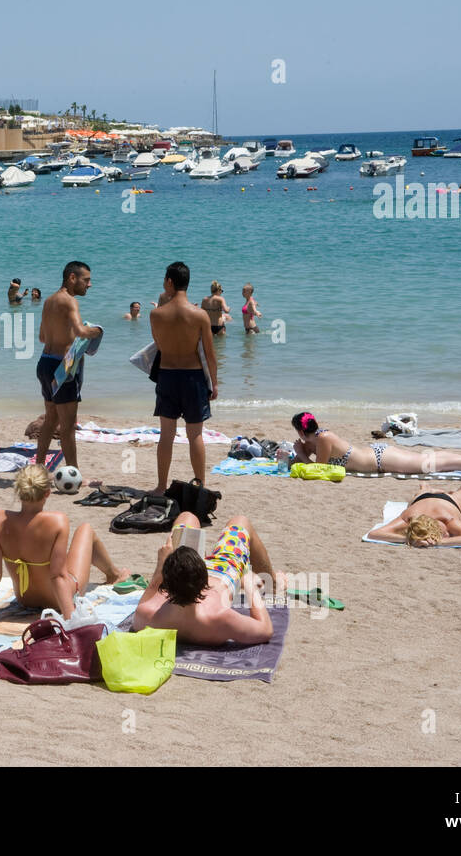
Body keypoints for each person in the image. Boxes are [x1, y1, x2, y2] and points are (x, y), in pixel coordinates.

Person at [0, 464, 128, 627]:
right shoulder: (57, 521)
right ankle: (114, 574)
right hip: (57, 599)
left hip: (25, 599)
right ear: (47, 493)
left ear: (18, 491)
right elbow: (58, 576)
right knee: (86, 530)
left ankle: (114, 574)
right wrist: (71, 618)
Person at [132, 513, 283, 645]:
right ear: (205, 584)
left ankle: (187, 560)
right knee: (240, 522)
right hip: (222, 572)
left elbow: (152, 588)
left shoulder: (146, 615)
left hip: (185, 574)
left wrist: (161, 565)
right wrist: (250, 586)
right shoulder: (220, 618)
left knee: (188, 517)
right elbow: (265, 630)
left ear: (165, 586)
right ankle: (274, 584)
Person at [150, 261, 217, 489]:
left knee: (166, 435)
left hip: (167, 376)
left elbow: (159, 345)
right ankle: (200, 485)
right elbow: (209, 354)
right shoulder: (200, 315)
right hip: (193, 378)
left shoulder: (156, 315)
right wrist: (214, 384)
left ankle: (161, 486)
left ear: (169, 281)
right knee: (195, 435)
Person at [34, 261, 103, 473]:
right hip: (62, 368)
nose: (89, 284)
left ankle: (38, 468)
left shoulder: (49, 301)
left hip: (45, 363)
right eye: (86, 280)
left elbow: (42, 337)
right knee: (68, 426)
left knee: (50, 420)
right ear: (72, 278)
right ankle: (75, 473)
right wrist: (97, 331)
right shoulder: (70, 301)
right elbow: (81, 331)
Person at [290, 411, 461, 474]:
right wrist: (302, 450)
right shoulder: (319, 437)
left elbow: (319, 469)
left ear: (300, 430)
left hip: (380, 459)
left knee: (429, 465)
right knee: (428, 460)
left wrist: (300, 453)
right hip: (378, 456)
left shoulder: (323, 438)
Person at [366, 484, 461, 546]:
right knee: (459, 497)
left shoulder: (448, 519)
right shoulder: (409, 518)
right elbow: (373, 534)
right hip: (435, 501)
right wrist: (409, 539)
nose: (447, 535)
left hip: (445, 501)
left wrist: (439, 542)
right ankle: (425, 488)